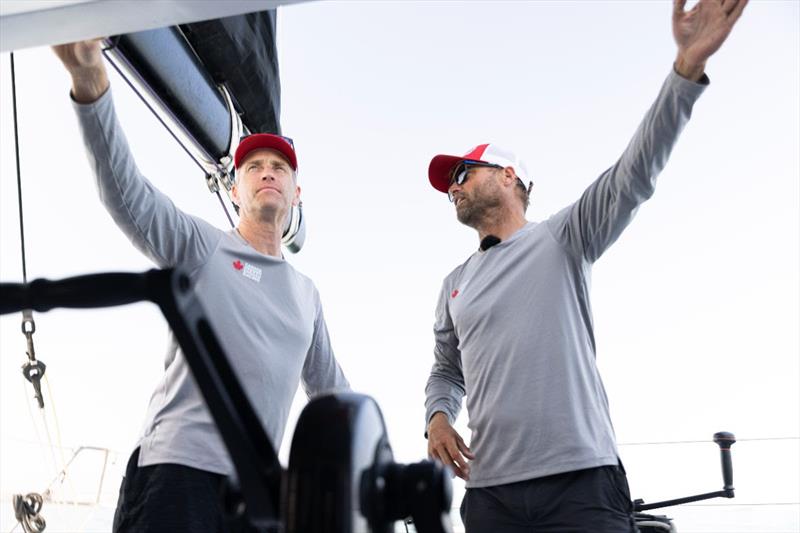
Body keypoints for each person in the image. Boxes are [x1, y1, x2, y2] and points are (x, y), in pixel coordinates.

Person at [423, 0, 747, 530]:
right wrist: (437, 418)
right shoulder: (453, 285)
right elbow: (445, 369)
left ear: (508, 176)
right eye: (450, 181)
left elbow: (633, 174)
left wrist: (685, 69)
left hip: (581, 483)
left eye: (463, 171)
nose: (454, 185)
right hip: (490, 498)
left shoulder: (563, 238)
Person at [53, 40, 350, 532]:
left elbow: (333, 395)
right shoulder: (202, 247)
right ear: (235, 190)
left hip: (253, 498)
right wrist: (91, 88)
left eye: (279, 168)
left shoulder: (307, 295)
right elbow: (127, 195)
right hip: (177, 475)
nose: (267, 174)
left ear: (298, 192)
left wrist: (375, 471)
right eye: (253, 167)